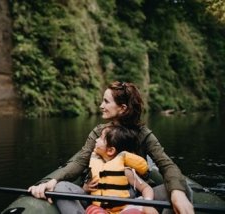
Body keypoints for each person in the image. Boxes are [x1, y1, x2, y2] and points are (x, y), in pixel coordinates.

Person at [28, 81, 194, 214]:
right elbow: (79, 160)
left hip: (133, 200)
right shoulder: (99, 132)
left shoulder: (144, 134)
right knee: (61, 188)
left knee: (181, 188)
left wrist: (177, 192)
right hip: (96, 197)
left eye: (106, 101)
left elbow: (166, 165)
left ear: (122, 108)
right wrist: (50, 181)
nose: (101, 105)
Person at [84, 125, 158, 214]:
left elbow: (146, 188)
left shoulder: (125, 171)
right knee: (92, 209)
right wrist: (86, 188)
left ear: (110, 150)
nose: (96, 140)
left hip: (124, 210)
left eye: (100, 138)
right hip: (101, 210)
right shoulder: (95, 167)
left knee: (133, 211)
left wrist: (148, 203)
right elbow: (85, 188)